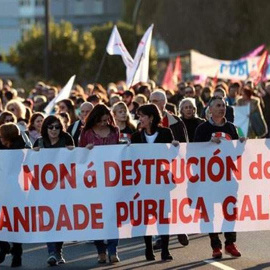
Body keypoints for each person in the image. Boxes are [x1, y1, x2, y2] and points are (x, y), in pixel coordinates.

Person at [194, 96, 243, 259]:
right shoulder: (202, 129)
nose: (222, 108)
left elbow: (236, 154)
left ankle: (230, 242)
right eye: (218, 105)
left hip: (228, 177)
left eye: (224, 105)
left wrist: (242, 145)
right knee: (210, 212)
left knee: (230, 210)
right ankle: (216, 245)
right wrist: (208, 142)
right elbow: (194, 153)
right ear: (210, 109)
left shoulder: (231, 128)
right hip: (208, 179)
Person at [131, 104, 179, 261]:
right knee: (145, 217)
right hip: (143, 183)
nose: (140, 119)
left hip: (161, 182)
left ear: (151, 117)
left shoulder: (166, 133)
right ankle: (148, 249)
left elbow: (171, 157)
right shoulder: (136, 137)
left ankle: (165, 250)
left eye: (142, 116)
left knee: (163, 216)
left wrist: (175, 148)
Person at [79, 104, 120, 264]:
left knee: (112, 215)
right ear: (95, 119)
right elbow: (80, 157)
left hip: (112, 180)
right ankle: (100, 250)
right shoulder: (86, 133)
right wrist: (86, 150)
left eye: (107, 120)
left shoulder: (114, 131)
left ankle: (112, 249)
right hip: (93, 181)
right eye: (101, 120)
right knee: (96, 216)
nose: (104, 123)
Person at [33, 115, 74, 266]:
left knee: (60, 220)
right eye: (51, 127)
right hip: (46, 189)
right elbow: (31, 165)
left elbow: (74, 161)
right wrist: (33, 153)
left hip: (64, 187)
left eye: (57, 127)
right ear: (46, 128)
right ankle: (51, 252)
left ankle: (58, 251)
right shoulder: (39, 142)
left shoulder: (67, 139)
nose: (54, 130)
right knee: (48, 219)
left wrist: (73, 151)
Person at [0, 123, 29, 267]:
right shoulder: (21, 148)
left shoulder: (21, 150)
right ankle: (7, 248)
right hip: (7, 190)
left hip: (13, 190)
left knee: (13, 222)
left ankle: (15, 252)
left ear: (7, 138)